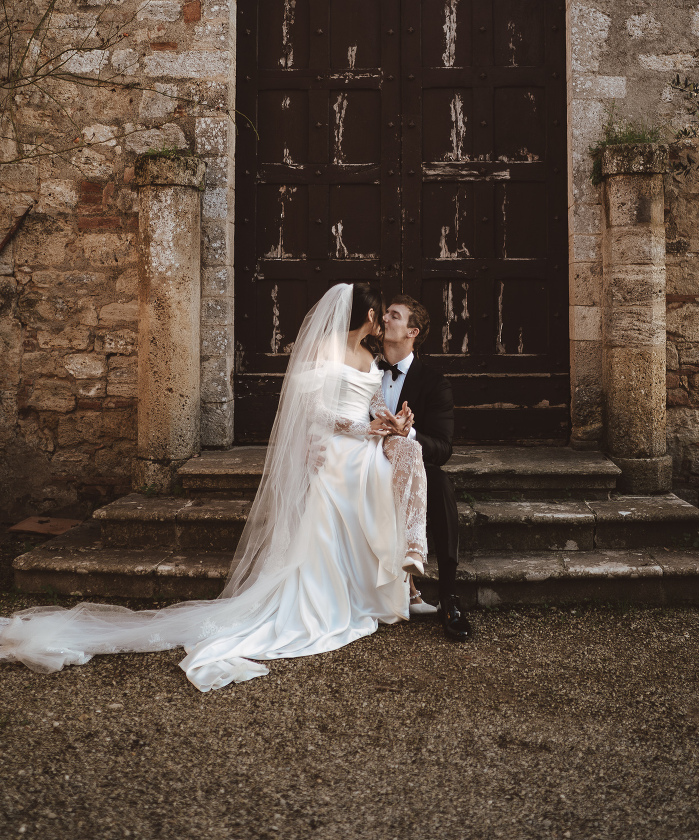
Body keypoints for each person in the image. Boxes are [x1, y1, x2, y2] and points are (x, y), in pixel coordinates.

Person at [0, 283, 428, 691]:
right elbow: (313, 410)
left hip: (362, 441)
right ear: (368, 315)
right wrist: (363, 428)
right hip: (335, 445)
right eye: (381, 314)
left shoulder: (368, 352)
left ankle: (381, 579)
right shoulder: (322, 349)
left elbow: (372, 399)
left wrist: (388, 420)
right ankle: (340, 593)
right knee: (353, 484)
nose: (382, 321)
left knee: (392, 468)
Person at [373, 296, 472, 643]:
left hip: (409, 465)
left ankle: (448, 595)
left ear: (412, 332)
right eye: (385, 313)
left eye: (394, 315)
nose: (385, 318)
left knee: (440, 483)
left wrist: (408, 434)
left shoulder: (434, 383)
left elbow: (443, 448)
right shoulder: (363, 369)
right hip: (364, 460)